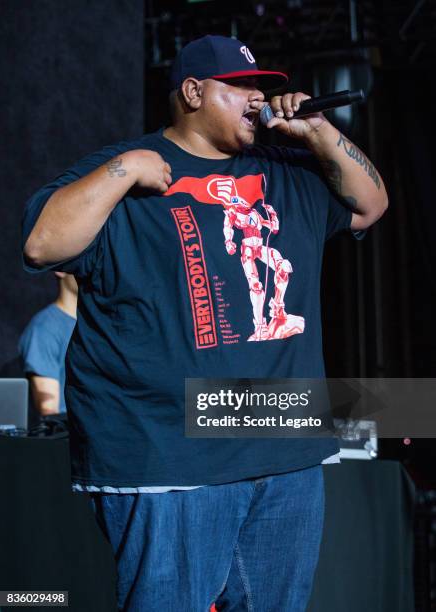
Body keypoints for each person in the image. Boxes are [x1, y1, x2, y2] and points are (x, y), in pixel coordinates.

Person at [21, 35, 388, 611]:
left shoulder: (288, 169)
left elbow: (371, 204)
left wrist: (320, 132)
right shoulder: (127, 170)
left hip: (283, 453)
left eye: (261, 90)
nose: (255, 100)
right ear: (192, 92)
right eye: (239, 88)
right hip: (171, 459)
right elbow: (42, 245)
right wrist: (126, 169)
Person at [18, 272, 77, 416]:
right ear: (62, 269)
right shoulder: (44, 328)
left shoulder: (99, 326)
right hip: (71, 435)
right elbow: (49, 411)